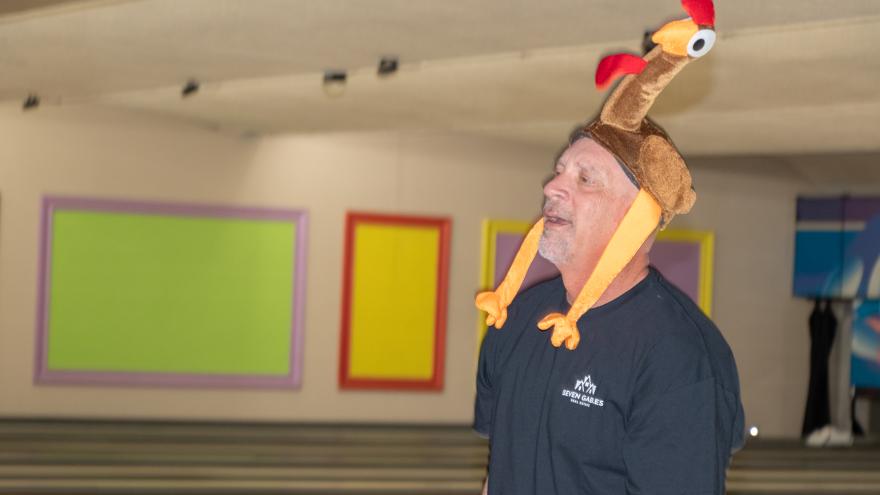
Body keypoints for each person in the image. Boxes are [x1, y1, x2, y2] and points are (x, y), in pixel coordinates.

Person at [473, 0, 744, 493]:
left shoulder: (678, 355)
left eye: (585, 179)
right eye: (558, 171)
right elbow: (497, 472)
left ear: (634, 216)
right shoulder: (515, 317)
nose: (553, 188)